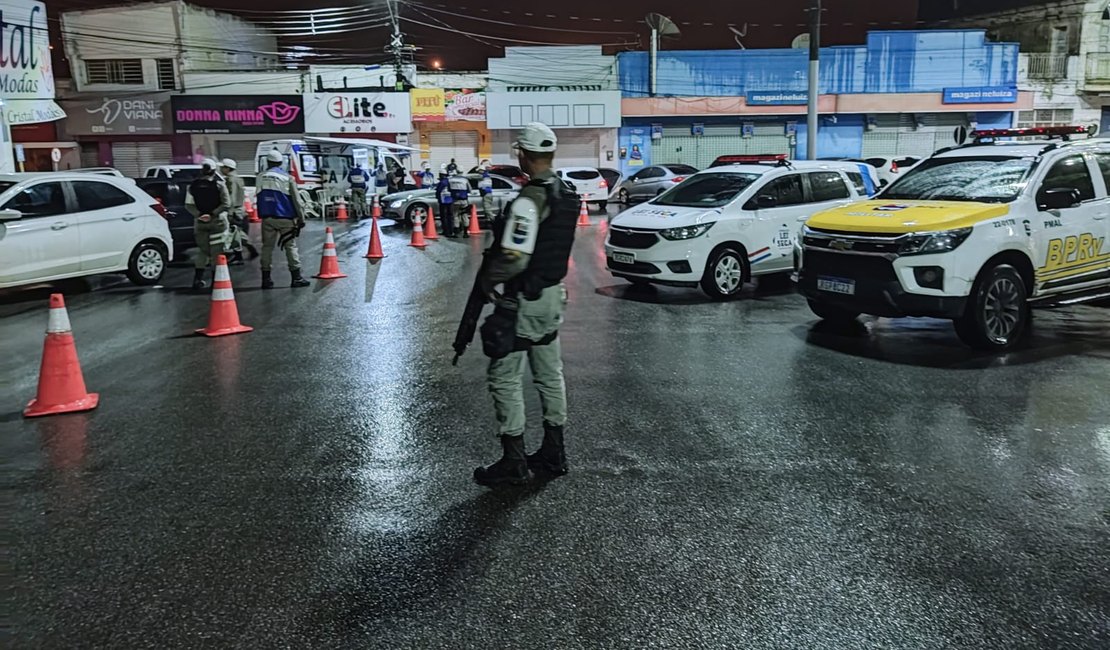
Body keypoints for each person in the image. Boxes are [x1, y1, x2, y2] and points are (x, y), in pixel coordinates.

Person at [473, 122, 578, 487]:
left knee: (504, 377)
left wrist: (489, 280)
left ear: (522, 153)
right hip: (553, 296)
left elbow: (515, 256)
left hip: (526, 300)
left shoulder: (529, 200)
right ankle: (554, 451)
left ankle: (513, 461)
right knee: (550, 375)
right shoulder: (565, 192)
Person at [256, 150, 310, 289]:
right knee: (290, 246)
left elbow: (259, 196)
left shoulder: (260, 177)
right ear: (281, 163)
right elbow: (297, 201)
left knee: (267, 248)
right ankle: (296, 278)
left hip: (267, 218)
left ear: (267, 162)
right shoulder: (287, 178)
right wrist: (301, 218)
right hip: (285, 218)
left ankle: (266, 280)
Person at [185, 158, 231, 290]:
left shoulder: (192, 186)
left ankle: (197, 280)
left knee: (203, 251)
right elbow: (226, 204)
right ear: (213, 171)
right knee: (216, 252)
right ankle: (215, 282)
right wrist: (212, 214)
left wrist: (200, 215)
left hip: (200, 223)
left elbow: (188, 205)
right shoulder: (219, 185)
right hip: (217, 222)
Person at [220, 158, 258, 265]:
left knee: (236, 234)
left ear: (227, 168)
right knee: (236, 234)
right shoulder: (238, 178)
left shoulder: (230, 180)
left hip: (235, 211)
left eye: (223, 167)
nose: (221, 169)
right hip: (241, 210)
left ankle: (244, 253)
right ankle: (242, 253)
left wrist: (230, 212)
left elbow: (231, 197)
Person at [448, 168, 471, 237]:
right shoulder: (465, 179)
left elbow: (449, 189)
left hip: (455, 201)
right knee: (464, 215)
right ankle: (465, 233)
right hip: (464, 201)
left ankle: (456, 233)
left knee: (455, 216)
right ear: (462, 172)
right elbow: (469, 190)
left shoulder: (451, 179)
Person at [436, 169, 455, 237]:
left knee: (444, 216)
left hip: (443, 201)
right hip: (450, 200)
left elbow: (438, 191)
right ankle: (451, 231)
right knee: (450, 216)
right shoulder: (449, 181)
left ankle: (446, 231)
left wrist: (437, 198)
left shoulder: (442, 182)